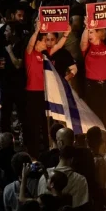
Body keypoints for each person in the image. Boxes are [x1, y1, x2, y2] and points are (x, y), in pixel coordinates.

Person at [25, 22, 67, 157]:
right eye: (43, 41)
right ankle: (33, 151)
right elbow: (30, 44)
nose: (46, 43)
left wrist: (66, 34)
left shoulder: (45, 54)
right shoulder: (30, 53)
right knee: (34, 122)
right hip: (32, 93)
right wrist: (37, 30)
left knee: (44, 122)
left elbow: (58, 46)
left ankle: (44, 151)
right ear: (37, 42)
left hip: (44, 93)